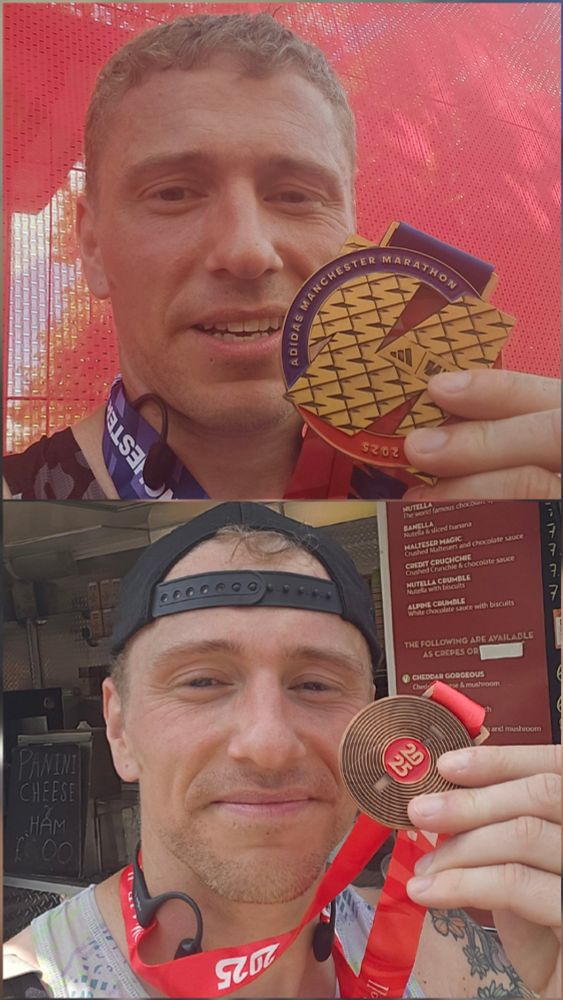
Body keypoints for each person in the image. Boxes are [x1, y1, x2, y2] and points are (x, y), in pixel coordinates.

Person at [4, 502, 561, 998]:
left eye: (315, 685)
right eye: (202, 682)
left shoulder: (450, 956)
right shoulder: (26, 981)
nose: (269, 747)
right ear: (119, 728)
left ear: (373, 717)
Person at [3, 13, 561, 502]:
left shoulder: (495, 493)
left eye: (296, 196)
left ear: (352, 233)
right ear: (92, 247)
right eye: (174, 192)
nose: (247, 250)